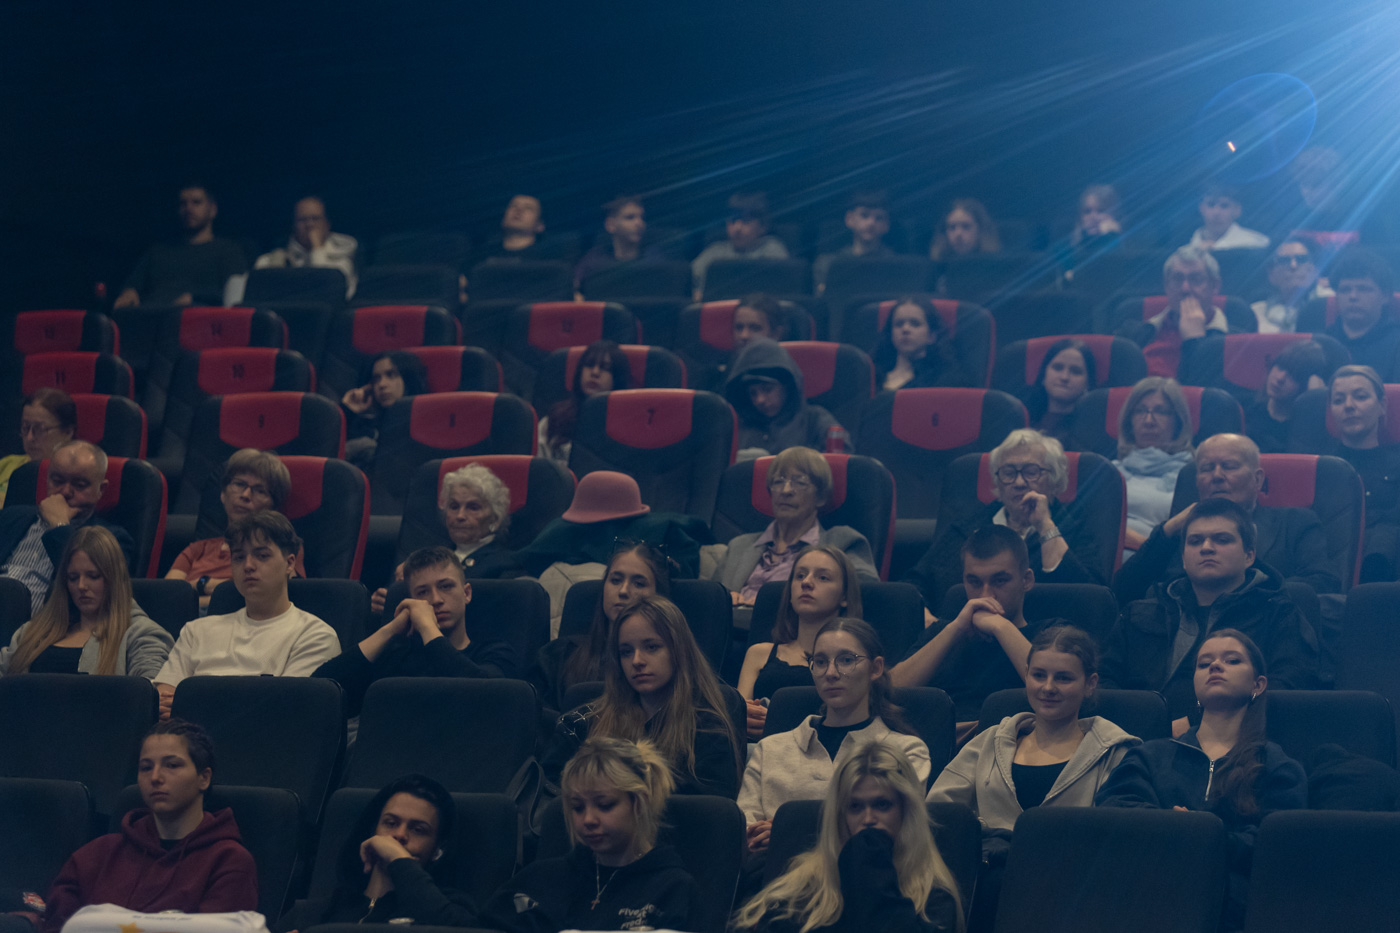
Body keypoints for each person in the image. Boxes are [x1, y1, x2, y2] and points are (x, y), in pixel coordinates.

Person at [929, 625, 1137, 933]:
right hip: (983, 885)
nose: (1048, 687)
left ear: (1090, 684)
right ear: (1026, 676)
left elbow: (1114, 843)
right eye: (1039, 675)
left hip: (1069, 895)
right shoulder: (989, 741)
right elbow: (938, 814)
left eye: (1063, 678)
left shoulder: (1115, 752)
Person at [1096, 630, 1307, 932]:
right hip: (1148, 898)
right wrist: (1171, 826)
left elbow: (1279, 843)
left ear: (1258, 685)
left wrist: (1204, 833)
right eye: (1204, 663)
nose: (1215, 666)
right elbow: (1114, 810)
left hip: (1235, 911)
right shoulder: (1150, 755)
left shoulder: (1276, 765)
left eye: (1232, 660)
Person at [1101, 497, 1321, 726]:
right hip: (1135, 737)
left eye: (1222, 540)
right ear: (1183, 559)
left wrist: (1195, 724)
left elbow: (1286, 691)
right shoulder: (1140, 613)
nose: (1206, 548)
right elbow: (1102, 683)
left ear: (1249, 556)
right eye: (1195, 541)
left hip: (1238, 741)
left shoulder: (1279, 614)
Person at [41, 720, 258, 933]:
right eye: (146, 767)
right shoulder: (96, 854)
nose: (155, 777)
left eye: (172, 765)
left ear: (204, 778)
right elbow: (56, 926)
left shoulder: (229, 860)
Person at [740, 619, 930, 854]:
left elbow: (901, 831)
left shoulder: (906, 750)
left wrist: (789, 832)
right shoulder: (770, 748)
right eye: (820, 662)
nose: (830, 673)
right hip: (773, 870)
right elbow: (744, 830)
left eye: (846, 660)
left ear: (876, 668)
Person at [731, 742, 962, 933]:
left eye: (882, 805)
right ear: (841, 815)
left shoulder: (935, 898)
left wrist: (868, 863)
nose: (868, 819)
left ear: (906, 811)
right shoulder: (803, 889)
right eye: (855, 807)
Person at [483, 737, 702, 933]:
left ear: (639, 802)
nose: (588, 819)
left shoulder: (672, 888)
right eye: (577, 808)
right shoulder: (541, 878)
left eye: (605, 805)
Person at [548, 595, 742, 798]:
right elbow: (549, 793)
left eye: (651, 647)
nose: (637, 661)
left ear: (679, 650)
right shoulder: (582, 723)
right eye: (626, 652)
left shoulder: (709, 728)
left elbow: (711, 809)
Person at [1112, 433, 1341, 602]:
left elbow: (1321, 583)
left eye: (1229, 466)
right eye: (1207, 468)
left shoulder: (1296, 522)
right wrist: (1168, 530)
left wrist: (1241, 594)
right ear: (1197, 481)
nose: (1217, 476)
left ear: (1257, 479)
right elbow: (1122, 592)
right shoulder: (1179, 533)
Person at [154, 511, 340, 719]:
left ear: (289, 564)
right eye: (239, 557)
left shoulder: (315, 635)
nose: (248, 566)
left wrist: (189, 706)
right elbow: (162, 699)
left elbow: (282, 714)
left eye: (262, 556)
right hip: (181, 736)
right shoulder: (196, 630)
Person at [904, 430, 1103, 623]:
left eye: (1031, 472)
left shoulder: (1074, 529)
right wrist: (927, 619)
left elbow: (1092, 603)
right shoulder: (966, 528)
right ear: (998, 482)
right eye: (1009, 473)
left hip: (1042, 640)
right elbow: (915, 585)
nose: (1019, 482)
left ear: (1054, 480)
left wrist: (1044, 525)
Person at [315, 546, 518, 715]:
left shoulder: (495, 652)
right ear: (412, 601)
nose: (436, 600)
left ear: (466, 593)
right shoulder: (397, 656)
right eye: (423, 592)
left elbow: (486, 699)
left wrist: (428, 627)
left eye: (446, 586)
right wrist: (389, 630)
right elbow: (321, 692)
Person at [894, 526, 1059, 730]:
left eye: (999, 581)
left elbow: (1055, 687)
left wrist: (1001, 627)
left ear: (1026, 580)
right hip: (937, 742)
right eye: (974, 582)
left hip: (1010, 743)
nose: (985, 595)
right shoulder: (943, 632)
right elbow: (887, 695)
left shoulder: (1049, 634)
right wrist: (955, 629)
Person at [279, 774, 477, 929]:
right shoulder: (311, 914)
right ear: (372, 832)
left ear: (438, 849)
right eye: (390, 823)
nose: (399, 835)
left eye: (418, 830)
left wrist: (399, 859)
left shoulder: (449, 911)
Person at [713, 448, 877, 610]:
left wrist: (772, 605)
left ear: (820, 497)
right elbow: (710, 600)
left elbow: (867, 599)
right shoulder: (739, 546)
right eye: (778, 482)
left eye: (800, 482)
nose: (786, 491)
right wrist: (724, 599)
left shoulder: (843, 542)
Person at [0, 526, 171, 677]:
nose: (81, 586)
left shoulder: (140, 633)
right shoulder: (33, 631)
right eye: (73, 578)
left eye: (93, 576)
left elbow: (150, 692)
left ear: (114, 579)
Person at [735, 546, 865, 738]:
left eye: (823, 577)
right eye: (800, 576)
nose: (806, 582)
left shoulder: (853, 661)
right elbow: (738, 718)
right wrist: (745, 718)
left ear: (844, 596)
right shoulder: (759, 653)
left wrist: (777, 723)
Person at [529, 540, 672, 712]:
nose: (623, 591)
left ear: (659, 596)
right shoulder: (558, 656)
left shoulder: (669, 663)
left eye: (639, 583)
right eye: (615, 580)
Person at [0, 440, 137, 613]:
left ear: (100, 490)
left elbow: (93, 594)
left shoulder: (113, 538)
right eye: (57, 481)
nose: (65, 491)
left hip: (40, 625)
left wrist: (59, 526)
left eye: (79, 485)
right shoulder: (11, 516)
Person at [166, 449, 305, 609]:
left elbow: (277, 595)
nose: (245, 495)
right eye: (239, 484)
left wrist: (201, 585)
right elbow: (168, 596)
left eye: (260, 491)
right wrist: (227, 591)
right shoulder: (196, 550)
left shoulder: (283, 547)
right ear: (223, 494)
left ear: (273, 507)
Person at [371, 462, 517, 614]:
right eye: (454, 506)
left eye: (473, 507)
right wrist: (387, 601)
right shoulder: (423, 559)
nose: (460, 515)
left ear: (495, 518)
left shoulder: (506, 566)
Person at [113, 183, 247, 308]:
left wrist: (195, 298)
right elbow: (133, 285)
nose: (188, 209)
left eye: (196, 202)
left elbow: (235, 294)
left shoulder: (228, 251)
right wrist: (129, 292)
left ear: (212, 209)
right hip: (150, 316)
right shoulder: (158, 251)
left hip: (197, 318)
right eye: (183, 203)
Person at [1325, 365, 1400, 581]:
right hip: (1332, 570)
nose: (1349, 406)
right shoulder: (1321, 469)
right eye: (1339, 400)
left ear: (1382, 406)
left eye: (1360, 397)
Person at [1117, 246, 1231, 378]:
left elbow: (1205, 387)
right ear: (1166, 286)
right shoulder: (1133, 334)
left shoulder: (1233, 343)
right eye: (1177, 279)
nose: (1185, 289)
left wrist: (1194, 341)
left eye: (1196, 279)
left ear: (1215, 286)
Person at [725, 339, 848, 458]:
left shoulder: (814, 420)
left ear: (787, 387)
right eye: (753, 393)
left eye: (767, 389)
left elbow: (839, 461)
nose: (760, 400)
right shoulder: (738, 425)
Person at [1114, 377, 1195, 555]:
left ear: (1178, 421)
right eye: (1140, 411)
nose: (1148, 421)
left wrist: (1141, 546)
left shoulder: (1192, 477)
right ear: (1129, 421)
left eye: (1161, 412)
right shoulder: (1108, 472)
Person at [233, 195, 358, 301]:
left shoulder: (342, 264)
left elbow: (325, 295)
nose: (310, 225)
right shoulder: (268, 262)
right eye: (303, 220)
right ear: (293, 225)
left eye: (315, 219)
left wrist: (317, 250)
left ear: (327, 224)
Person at [539, 339, 631, 463]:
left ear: (617, 379)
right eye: (589, 365)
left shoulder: (626, 430)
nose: (595, 372)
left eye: (605, 368)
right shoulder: (555, 419)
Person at [691, 192, 791, 298]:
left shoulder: (773, 249)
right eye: (733, 220)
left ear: (763, 226)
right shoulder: (715, 252)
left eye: (746, 220)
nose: (737, 228)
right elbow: (692, 280)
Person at [342, 350, 430, 468]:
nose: (382, 384)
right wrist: (347, 410)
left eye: (391, 375)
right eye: (376, 379)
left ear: (408, 380)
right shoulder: (366, 425)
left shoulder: (425, 423)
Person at [1324, 247, 1400, 380]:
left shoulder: (1397, 343)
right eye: (1345, 289)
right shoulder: (1322, 342)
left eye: (1363, 289)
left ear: (1385, 296)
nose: (1353, 296)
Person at [1240, 339, 1328, 453]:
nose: (1280, 378)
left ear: (1305, 385)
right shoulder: (1244, 407)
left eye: (1293, 376)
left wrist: (1313, 397)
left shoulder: (1304, 428)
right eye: (1280, 367)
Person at [695, 294, 791, 393]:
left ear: (776, 334)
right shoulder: (713, 376)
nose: (744, 336)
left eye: (755, 328)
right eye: (739, 327)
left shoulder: (787, 376)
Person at [873, 297, 970, 390]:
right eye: (899, 324)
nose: (905, 329)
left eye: (915, 324)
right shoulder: (872, 376)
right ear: (890, 334)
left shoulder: (948, 380)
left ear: (931, 336)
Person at [0, 388, 75, 507]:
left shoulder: (71, 478)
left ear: (68, 432)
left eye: (40, 429)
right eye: (25, 427)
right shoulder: (8, 463)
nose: (29, 437)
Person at [1018, 338, 1095, 446]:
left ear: (1088, 383)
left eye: (1075, 371)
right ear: (1044, 375)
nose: (1064, 377)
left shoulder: (1092, 430)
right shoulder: (1020, 417)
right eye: (1057, 368)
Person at [574, 195, 660, 291]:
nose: (639, 223)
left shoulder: (654, 259)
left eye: (642, 218)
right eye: (630, 217)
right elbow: (578, 292)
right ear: (610, 225)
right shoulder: (592, 262)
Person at [813, 190, 894, 292]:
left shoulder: (896, 266)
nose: (871, 223)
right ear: (849, 219)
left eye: (878, 218)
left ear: (886, 224)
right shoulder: (828, 265)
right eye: (864, 215)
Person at [1250, 239, 1329, 334]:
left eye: (1301, 259)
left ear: (1314, 270)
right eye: (1284, 260)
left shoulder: (1331, 304)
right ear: (1271, 274)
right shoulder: (1255, 313)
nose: (1293, 265)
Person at [1186, 184, 1269, 252]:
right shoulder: (1184, 247)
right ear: (1201, 208)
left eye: (1224, 206)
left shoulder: (1255, 245)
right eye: (1211, 204)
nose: (1216, 212)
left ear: (1237, 210)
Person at [929, 198, 1001, 261]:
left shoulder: (996, 266)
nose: (958, 233)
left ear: (980, 230)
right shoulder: (935, 269)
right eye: (952, 227)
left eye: (966, 226)